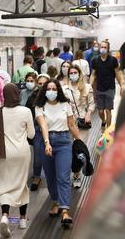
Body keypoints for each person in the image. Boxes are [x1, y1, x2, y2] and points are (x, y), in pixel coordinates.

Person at [35, 79, 81, 228]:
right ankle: (56, 202)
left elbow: (72, 125)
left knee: (63, 176)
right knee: (50, 177)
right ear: (44, 90)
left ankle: (65, 210)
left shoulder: (65, 104)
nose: (51, 91)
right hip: (46, 143)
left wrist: (80, 143)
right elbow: (43, 125)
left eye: (54, 88)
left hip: (63, 142)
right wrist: (47, 142)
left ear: (58, 90)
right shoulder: (40, 105)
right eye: (48, 88)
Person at [0, 83, 35, 237]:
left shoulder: (1, 111)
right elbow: (31, 134)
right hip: (22, 152)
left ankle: (5, 216)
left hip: (5, 153)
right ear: (17, 93)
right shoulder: (25, 111)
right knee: (21, 183)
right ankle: (23, 220)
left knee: (5, 184)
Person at [63, 66, 95, 188]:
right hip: (69, 123)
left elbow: (92, 103)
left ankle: (77, 174)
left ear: (80, 73)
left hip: (83, 122)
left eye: (75, 72)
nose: (73, 74)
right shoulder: (64, 89)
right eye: (71, 73)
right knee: (70, 150)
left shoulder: (87, 87)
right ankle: (73, 174)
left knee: (80, 150)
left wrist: (88, 113)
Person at [90, 41, 124, 128]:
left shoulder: (113, 60)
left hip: (110, 88)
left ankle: (108, 130)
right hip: (99, 88)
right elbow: (93, 74)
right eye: (102, 47)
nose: (103, 49)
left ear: (108, 49)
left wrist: (121, 85)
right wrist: (89, 86)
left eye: (105, 47)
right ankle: (103, 120)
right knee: (101, 111)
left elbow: (118, 73)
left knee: (108, 110)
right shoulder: (95, 60)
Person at [24, 73, 50, 191]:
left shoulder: (55, 98)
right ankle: (37, 176)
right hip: (38, 130)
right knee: (38, 155)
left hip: (53, 130)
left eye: (44, 84)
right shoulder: (32, 98)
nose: (42, 86)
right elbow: (27, 114)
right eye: (39, 83)